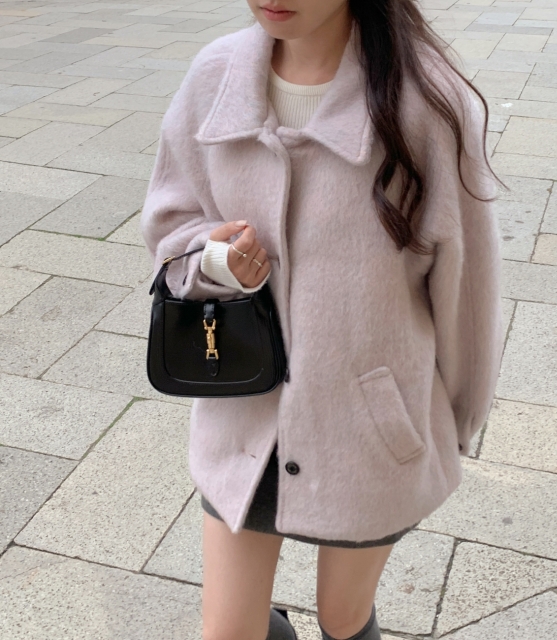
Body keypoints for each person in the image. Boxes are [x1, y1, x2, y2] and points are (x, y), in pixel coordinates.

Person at [140, 0, 503, 638]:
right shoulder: (214, 76)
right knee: (228, 631)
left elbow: (467, 287)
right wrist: (216, 263)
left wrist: (456, 421)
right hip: (245, 419)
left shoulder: (428, 102)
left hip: (371, 435)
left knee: (343, 615)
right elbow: (171, 224)